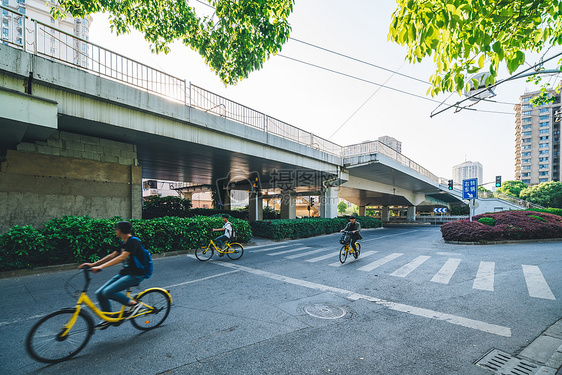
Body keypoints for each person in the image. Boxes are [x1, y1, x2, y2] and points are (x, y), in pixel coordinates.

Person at [79, 221, 145, 330]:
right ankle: (108, 318)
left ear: (120, 230)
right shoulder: (124, 242)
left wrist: (101, 267)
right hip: (126, 273)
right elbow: (112, 255)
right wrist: (93, 264)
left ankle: (134, 304)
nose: (115, 231)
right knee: (99, 293)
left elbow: (121, 258)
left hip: (136, 275)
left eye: (116, 229)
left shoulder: (134, 241)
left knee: (108, 292)